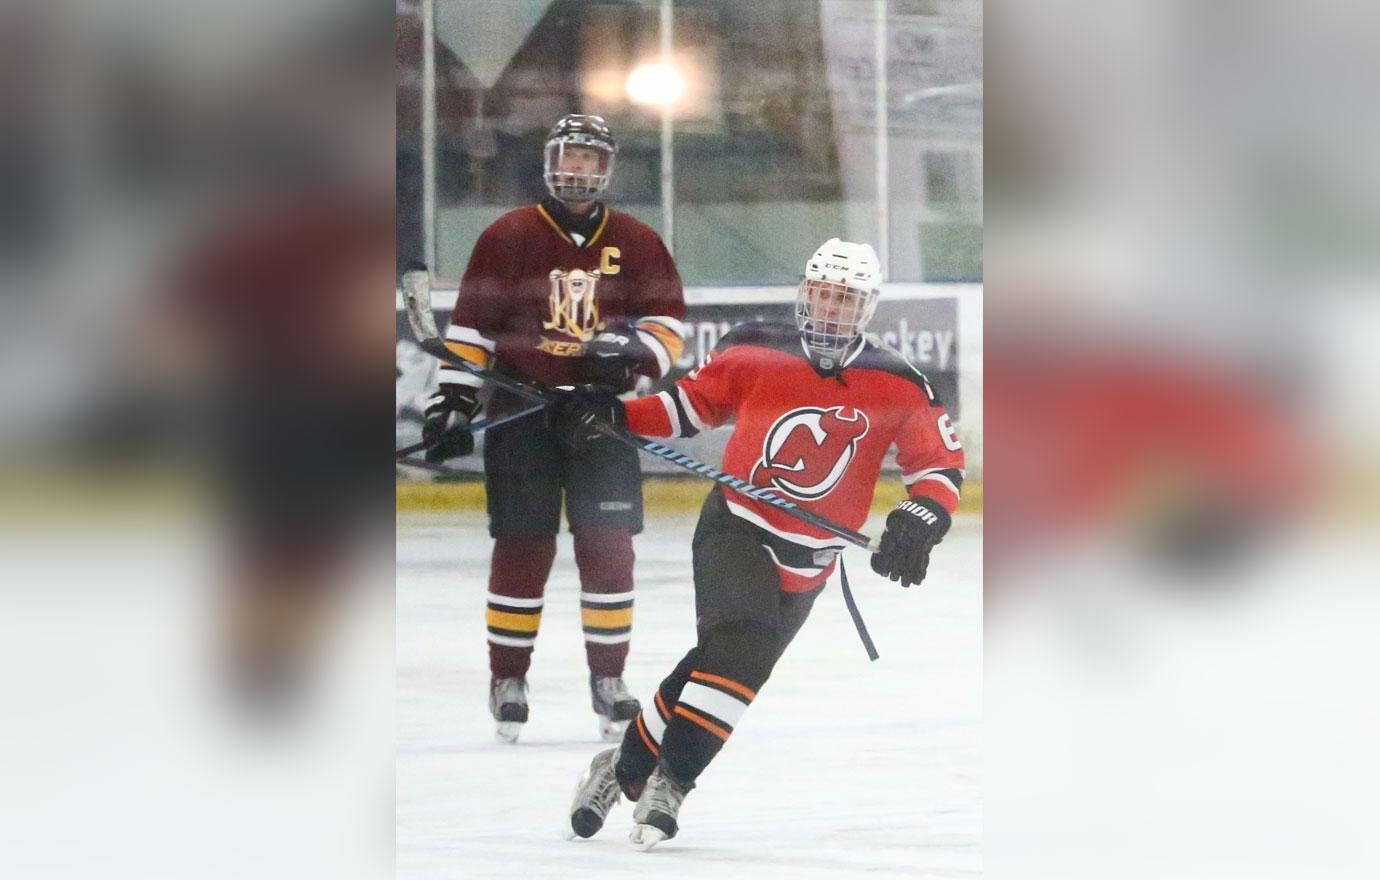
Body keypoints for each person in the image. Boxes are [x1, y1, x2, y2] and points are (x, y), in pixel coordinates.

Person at [551, 238, 966, 849]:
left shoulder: (898, 381)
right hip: (736, 525)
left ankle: (619, 768)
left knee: (718, 663)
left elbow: (938, 463)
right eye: (824, 294)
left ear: (868, 307)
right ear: (805, 292)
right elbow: (689, 407)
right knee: (742, 650)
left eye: (846, 300)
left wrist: (924, 514)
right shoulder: (755, 349)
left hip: (812, 561)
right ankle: (673, 782)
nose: (831, 311)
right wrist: (618, 417)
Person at [422, 114, 686, 742]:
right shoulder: (507, 235)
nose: (579, 169)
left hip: (602, 420)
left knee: (609, 549)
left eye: (592, 160)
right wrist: (455, 404)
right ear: (549, 160)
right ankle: (507, 678)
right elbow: (471, 330)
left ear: (608, 168)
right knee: (522, 547)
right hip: (524, 415)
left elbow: (668, 327)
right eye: (571, 156)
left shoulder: (638, 240)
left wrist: (632, 355)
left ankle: (609, 681)